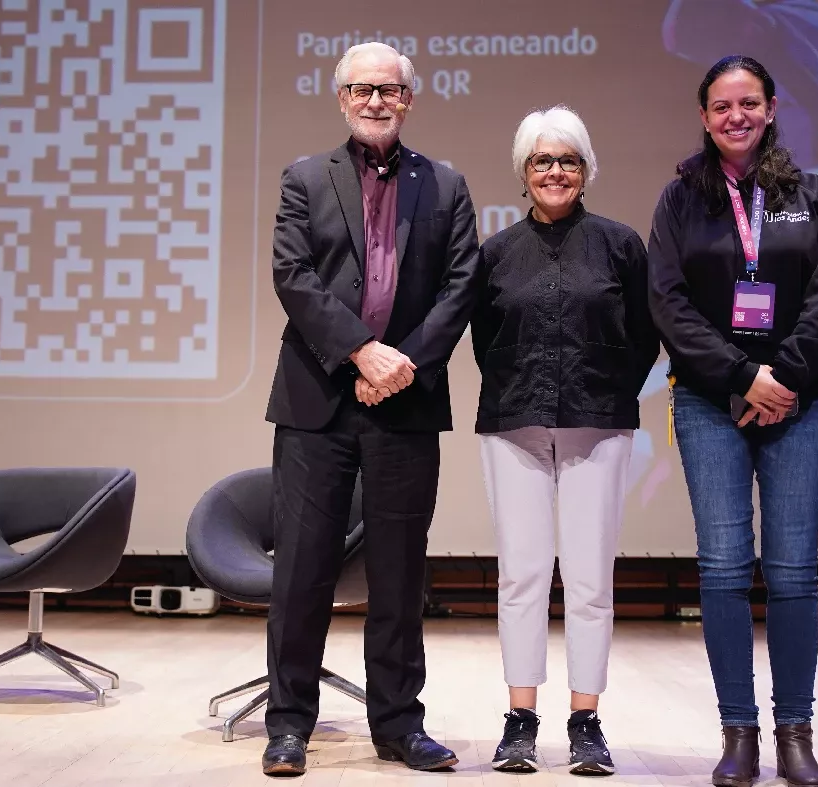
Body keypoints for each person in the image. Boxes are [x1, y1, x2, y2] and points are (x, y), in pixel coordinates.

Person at [260, 41, 481, 777]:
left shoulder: (446, 185)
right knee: (301, 571)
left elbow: (461, 288)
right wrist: (362, 352)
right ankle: (288, 723)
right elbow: (292, 275)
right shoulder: (303, 177)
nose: (376, 100)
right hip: (316, 399)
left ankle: (397, 723)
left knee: (398, 573)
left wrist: (400, 364)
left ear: (410, 98)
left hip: (406, 404)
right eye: (362, 89)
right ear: (341, 97)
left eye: (389, 89)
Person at [646, 55, 818, 787]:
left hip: (802, 401)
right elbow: (667, 304)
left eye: (749, 103)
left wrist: (782, 377)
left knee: (794, 569)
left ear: (770, 109)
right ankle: (739, 734)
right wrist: (742, 377)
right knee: (725, 566)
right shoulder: (680, 202)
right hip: (709, 401)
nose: (736, 116)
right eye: (722, 106)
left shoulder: (809, 196)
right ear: (704, 117)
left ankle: (796, 731)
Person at [470, 105, 659, 776]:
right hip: (513, 423)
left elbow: (644, 335)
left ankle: (586, 721)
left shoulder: (620, 244)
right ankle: (519, 721)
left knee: (588, 578)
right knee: (520, 574)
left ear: (586, 170)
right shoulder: (494, 252)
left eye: (568, 160)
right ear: (523, 173)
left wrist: (603, 391)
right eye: (542, 161)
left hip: (598, 423)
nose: (555, 171)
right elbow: (483, 345)